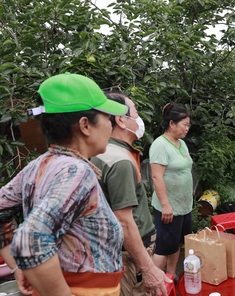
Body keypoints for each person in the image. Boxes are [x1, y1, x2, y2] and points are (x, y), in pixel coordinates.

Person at [0, 73, 128, 296]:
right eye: (108, 118)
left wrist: (20, 266)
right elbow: (31, 240)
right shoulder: (76, 172)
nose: (111, 126)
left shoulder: (39, 165)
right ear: (85, 125)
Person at [91, 92, 171, 296]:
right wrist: (148, 268)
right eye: (135, 112)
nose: (139, 118)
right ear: (120, 119)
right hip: (130, 254)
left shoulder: (101, 152)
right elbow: (124, 221)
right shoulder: (120, 161)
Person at [149, 103, 193, 278]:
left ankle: (170, 276)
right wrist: (166, 205)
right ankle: (152, 283)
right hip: (169, 208)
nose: (187, 128)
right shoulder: (160, 145)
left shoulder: (181, 143)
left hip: (183, 205)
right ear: (172, 123)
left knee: (177, 244)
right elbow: (156, 177)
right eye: (185, 124)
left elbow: (185, 170)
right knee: (163, 247)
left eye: (188, 125)